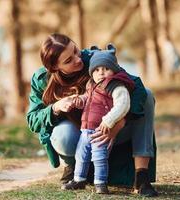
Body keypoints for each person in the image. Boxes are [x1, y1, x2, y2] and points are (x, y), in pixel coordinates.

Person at [26, 33, 158, 197]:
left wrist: (119, 123)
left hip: (111, 130)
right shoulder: (42, 80)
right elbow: (33, 120)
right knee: (63, 135)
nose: (77, 59)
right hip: (82, 136)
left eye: (75, 50)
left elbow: (136, 86)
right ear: (54, 68)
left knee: (147, 95)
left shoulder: (95, 59)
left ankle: (141, 176)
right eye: (68, 60)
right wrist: (56, 107)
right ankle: (74, 168)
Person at [62, 44, 135, 194]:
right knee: (81, 155)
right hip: (85, 130)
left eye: (105, 69)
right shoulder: (91, 84)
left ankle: (100, 183)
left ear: (113, 70)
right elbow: (87, 98)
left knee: (99, 157)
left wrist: (109, 120)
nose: (101, 72)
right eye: (96, 69)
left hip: (100, 130)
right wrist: (80, 100)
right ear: (92, 72)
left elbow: (123, 104)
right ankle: (79, 179)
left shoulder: (115, 85)